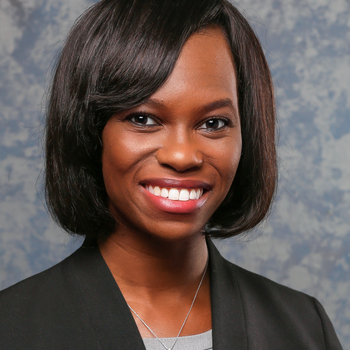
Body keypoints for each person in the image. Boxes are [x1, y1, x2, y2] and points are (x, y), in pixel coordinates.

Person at [0, 0, 342, 349]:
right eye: (143, 118)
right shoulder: (11, 328)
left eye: (213, 123)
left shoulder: (303, 328)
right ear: (90, 131)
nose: (182, 156)